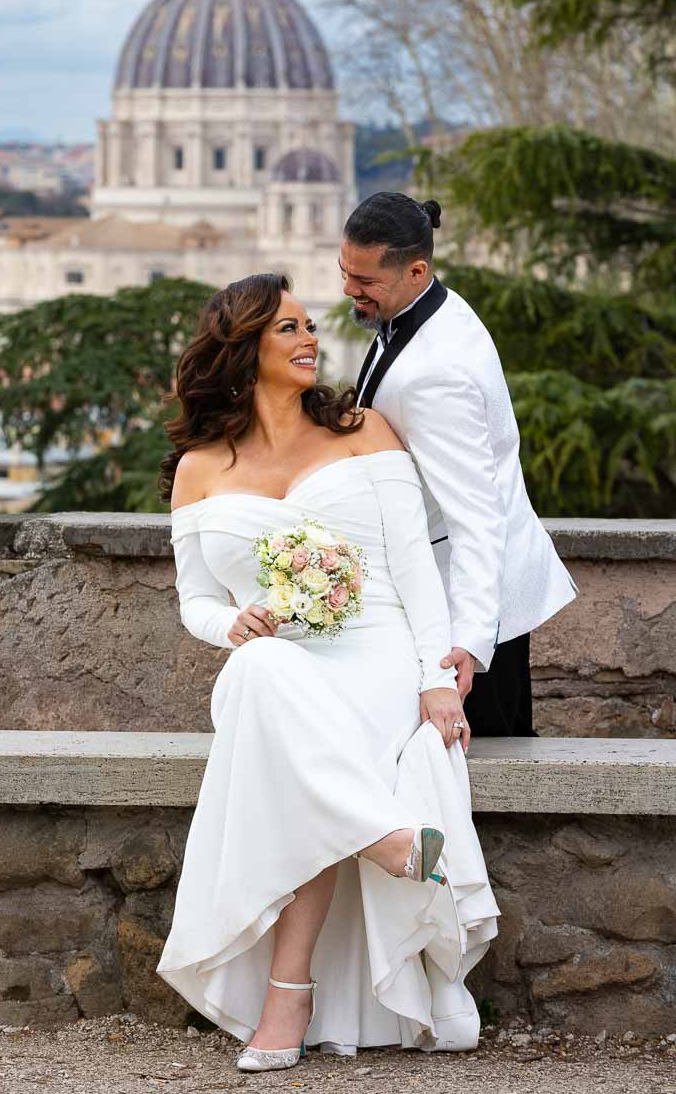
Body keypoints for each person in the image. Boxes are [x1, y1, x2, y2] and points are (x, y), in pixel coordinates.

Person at [155, 273, 500, 1071]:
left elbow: (417, 571)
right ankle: (389, 839)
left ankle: (287, 998)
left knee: (287, 748)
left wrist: (436, 679)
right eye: (288, 329)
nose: (311, 338)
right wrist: (230, 623)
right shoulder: (199, 468)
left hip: (376, 652)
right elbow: (196, 601)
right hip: (281, 668)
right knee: (260, 670)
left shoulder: (364, 431)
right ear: (242, 351)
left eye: (312, 325)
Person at [342, 192, 578, 738]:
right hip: (468, 595)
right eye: (345, 270)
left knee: (483, 766)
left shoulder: (436, 375)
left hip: (470, 612)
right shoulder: (423, 307)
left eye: (365, 281)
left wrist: (470, 643)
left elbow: (477, 514)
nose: (349, 289)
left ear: (417, 270)